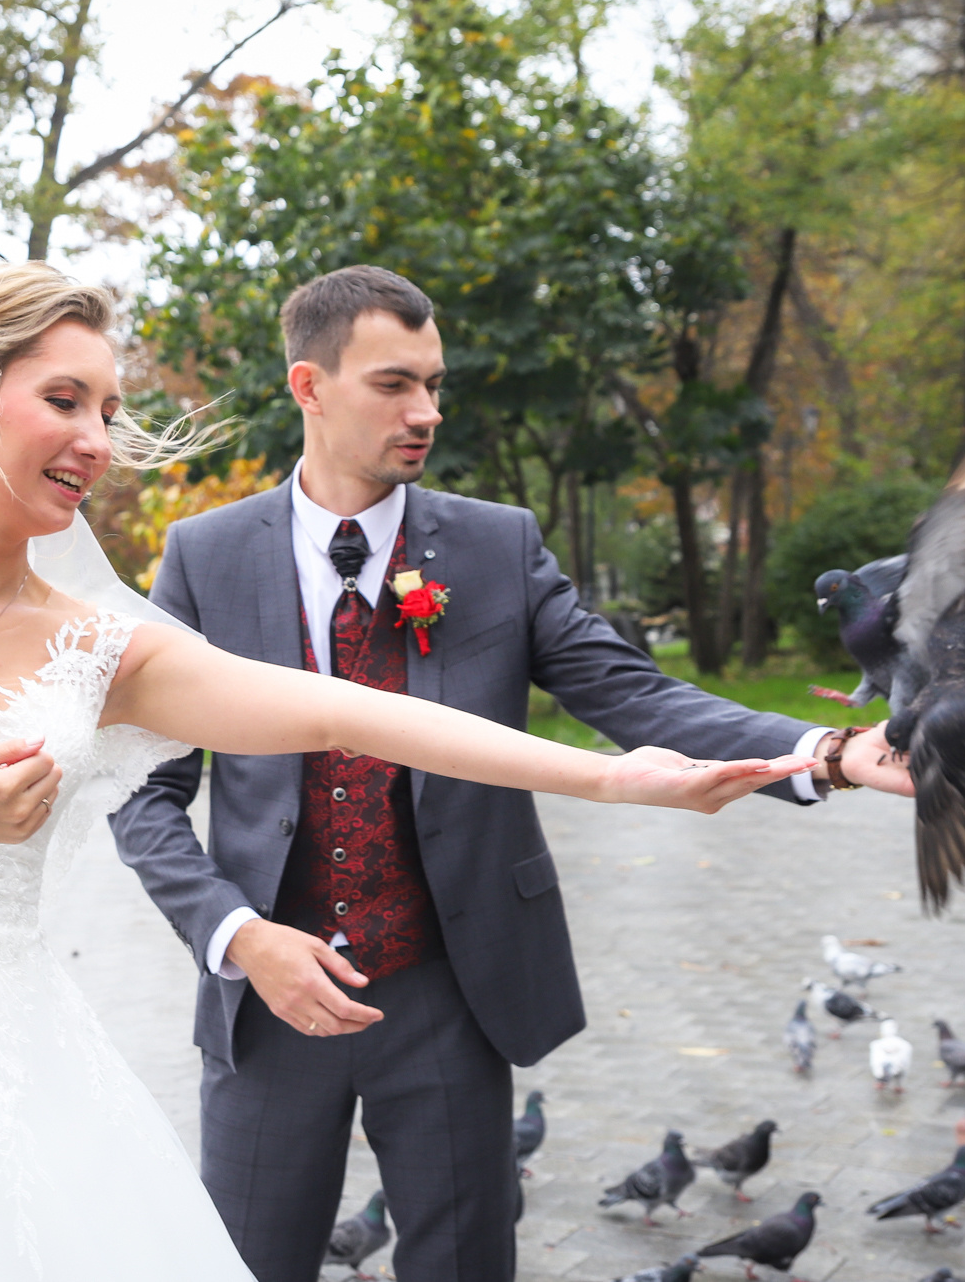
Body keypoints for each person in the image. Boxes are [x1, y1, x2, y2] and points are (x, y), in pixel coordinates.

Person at [0, 261, 816, 1281]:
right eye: (66, 401)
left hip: (21, 1085)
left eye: (108, 407)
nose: (100, 442)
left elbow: (348, 711)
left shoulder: (101, 643)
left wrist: (617, 782)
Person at [111, 265, 912, 1282]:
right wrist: (236, 936)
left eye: (434, 383)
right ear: (307, 386)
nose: (426, 410)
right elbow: (142, 790)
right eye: (394, 383)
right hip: (267, 1004)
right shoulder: (203, 556)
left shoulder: (494, 547)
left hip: (455, 989)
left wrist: (825, 752)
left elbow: (633, 694)